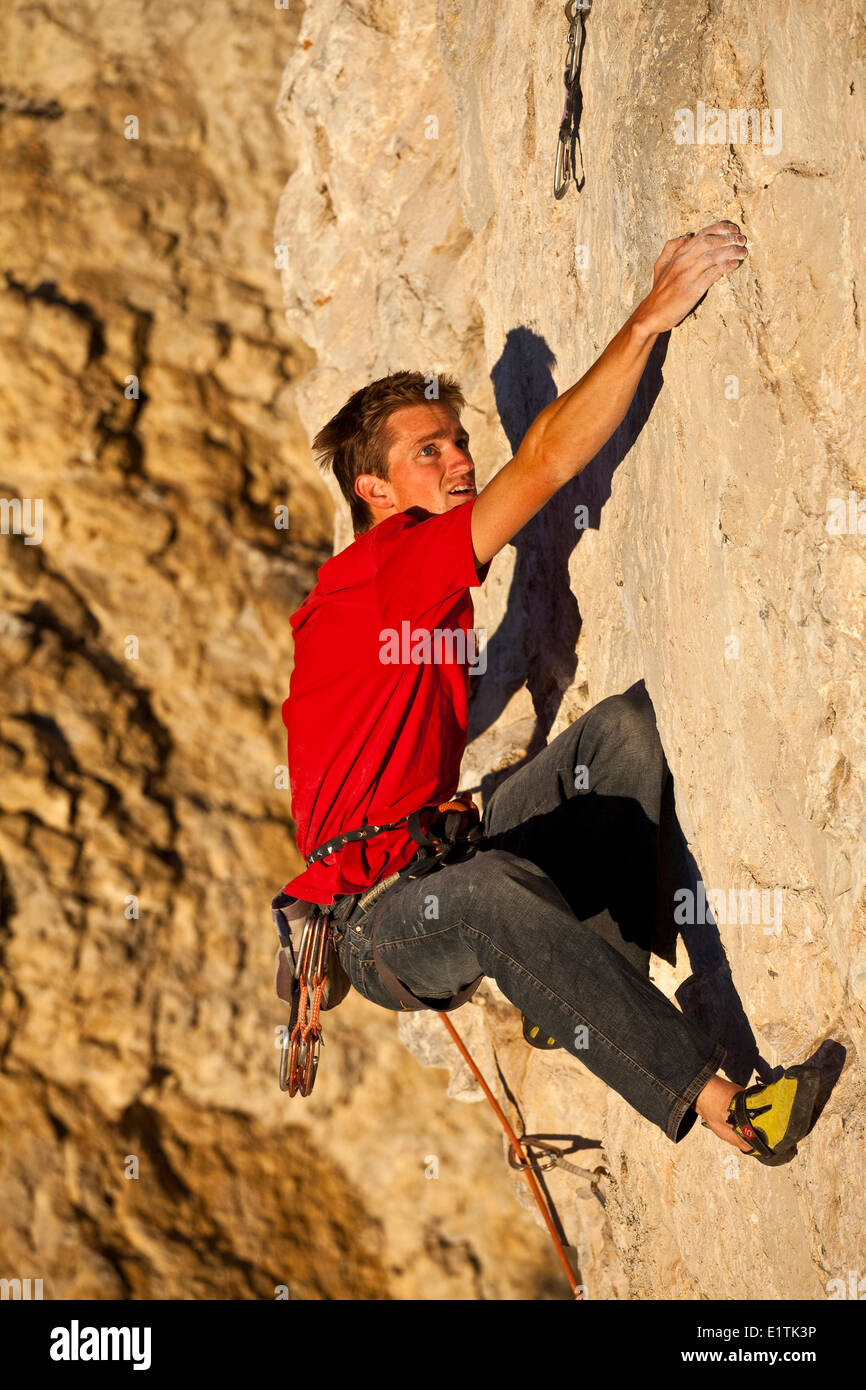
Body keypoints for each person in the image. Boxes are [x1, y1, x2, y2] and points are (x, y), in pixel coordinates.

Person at [276, 221, 819, 1164]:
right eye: (426, 453)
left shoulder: (399, 591)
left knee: (619, 738)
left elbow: (395, 705)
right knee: (487, 895)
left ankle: (577, 991)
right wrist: (649, 318)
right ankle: (732, 1105)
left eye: (456, 441)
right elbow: (545, 465)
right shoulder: (388, 567)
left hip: (447, 855)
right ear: (374, 490)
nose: (457, 461)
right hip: (380, 929)